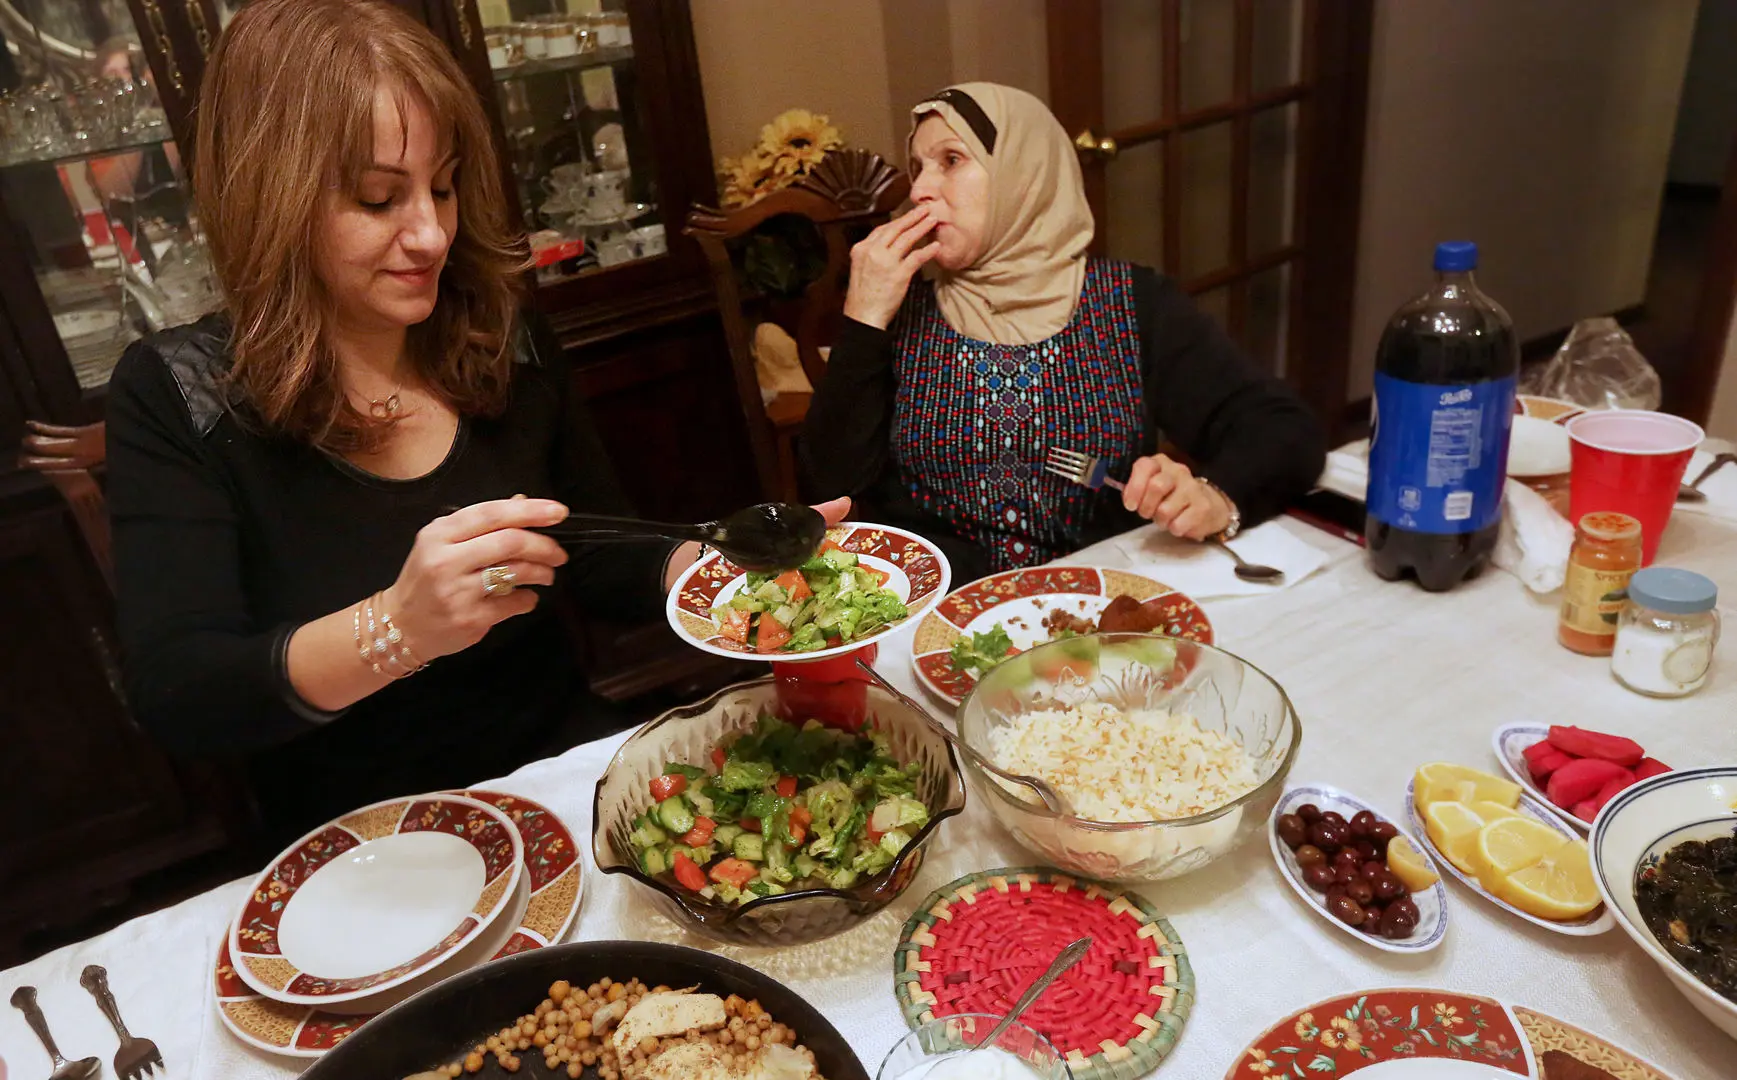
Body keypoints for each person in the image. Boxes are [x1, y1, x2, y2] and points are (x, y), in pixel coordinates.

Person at [105, 0, 842, 848]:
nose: (430, 234)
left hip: (555, 781)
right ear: (273, 200)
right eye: (379, 198)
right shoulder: (181, 395)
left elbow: (597, 553)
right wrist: (399, 626)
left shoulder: (500, 330)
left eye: (443, 186)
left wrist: (723, 571)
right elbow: (182, 696)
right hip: (361, 842)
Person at [801, 83, 1326, 582]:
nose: (919, 189)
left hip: (1098, 611)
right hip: (946, 622)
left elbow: (1282, 430)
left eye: (951, 161)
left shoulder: (1130, 303)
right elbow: (830, 489)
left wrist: (1217, 496)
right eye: (918, 167)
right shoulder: (900, 314)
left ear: (1022, 175)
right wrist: (864, 319)